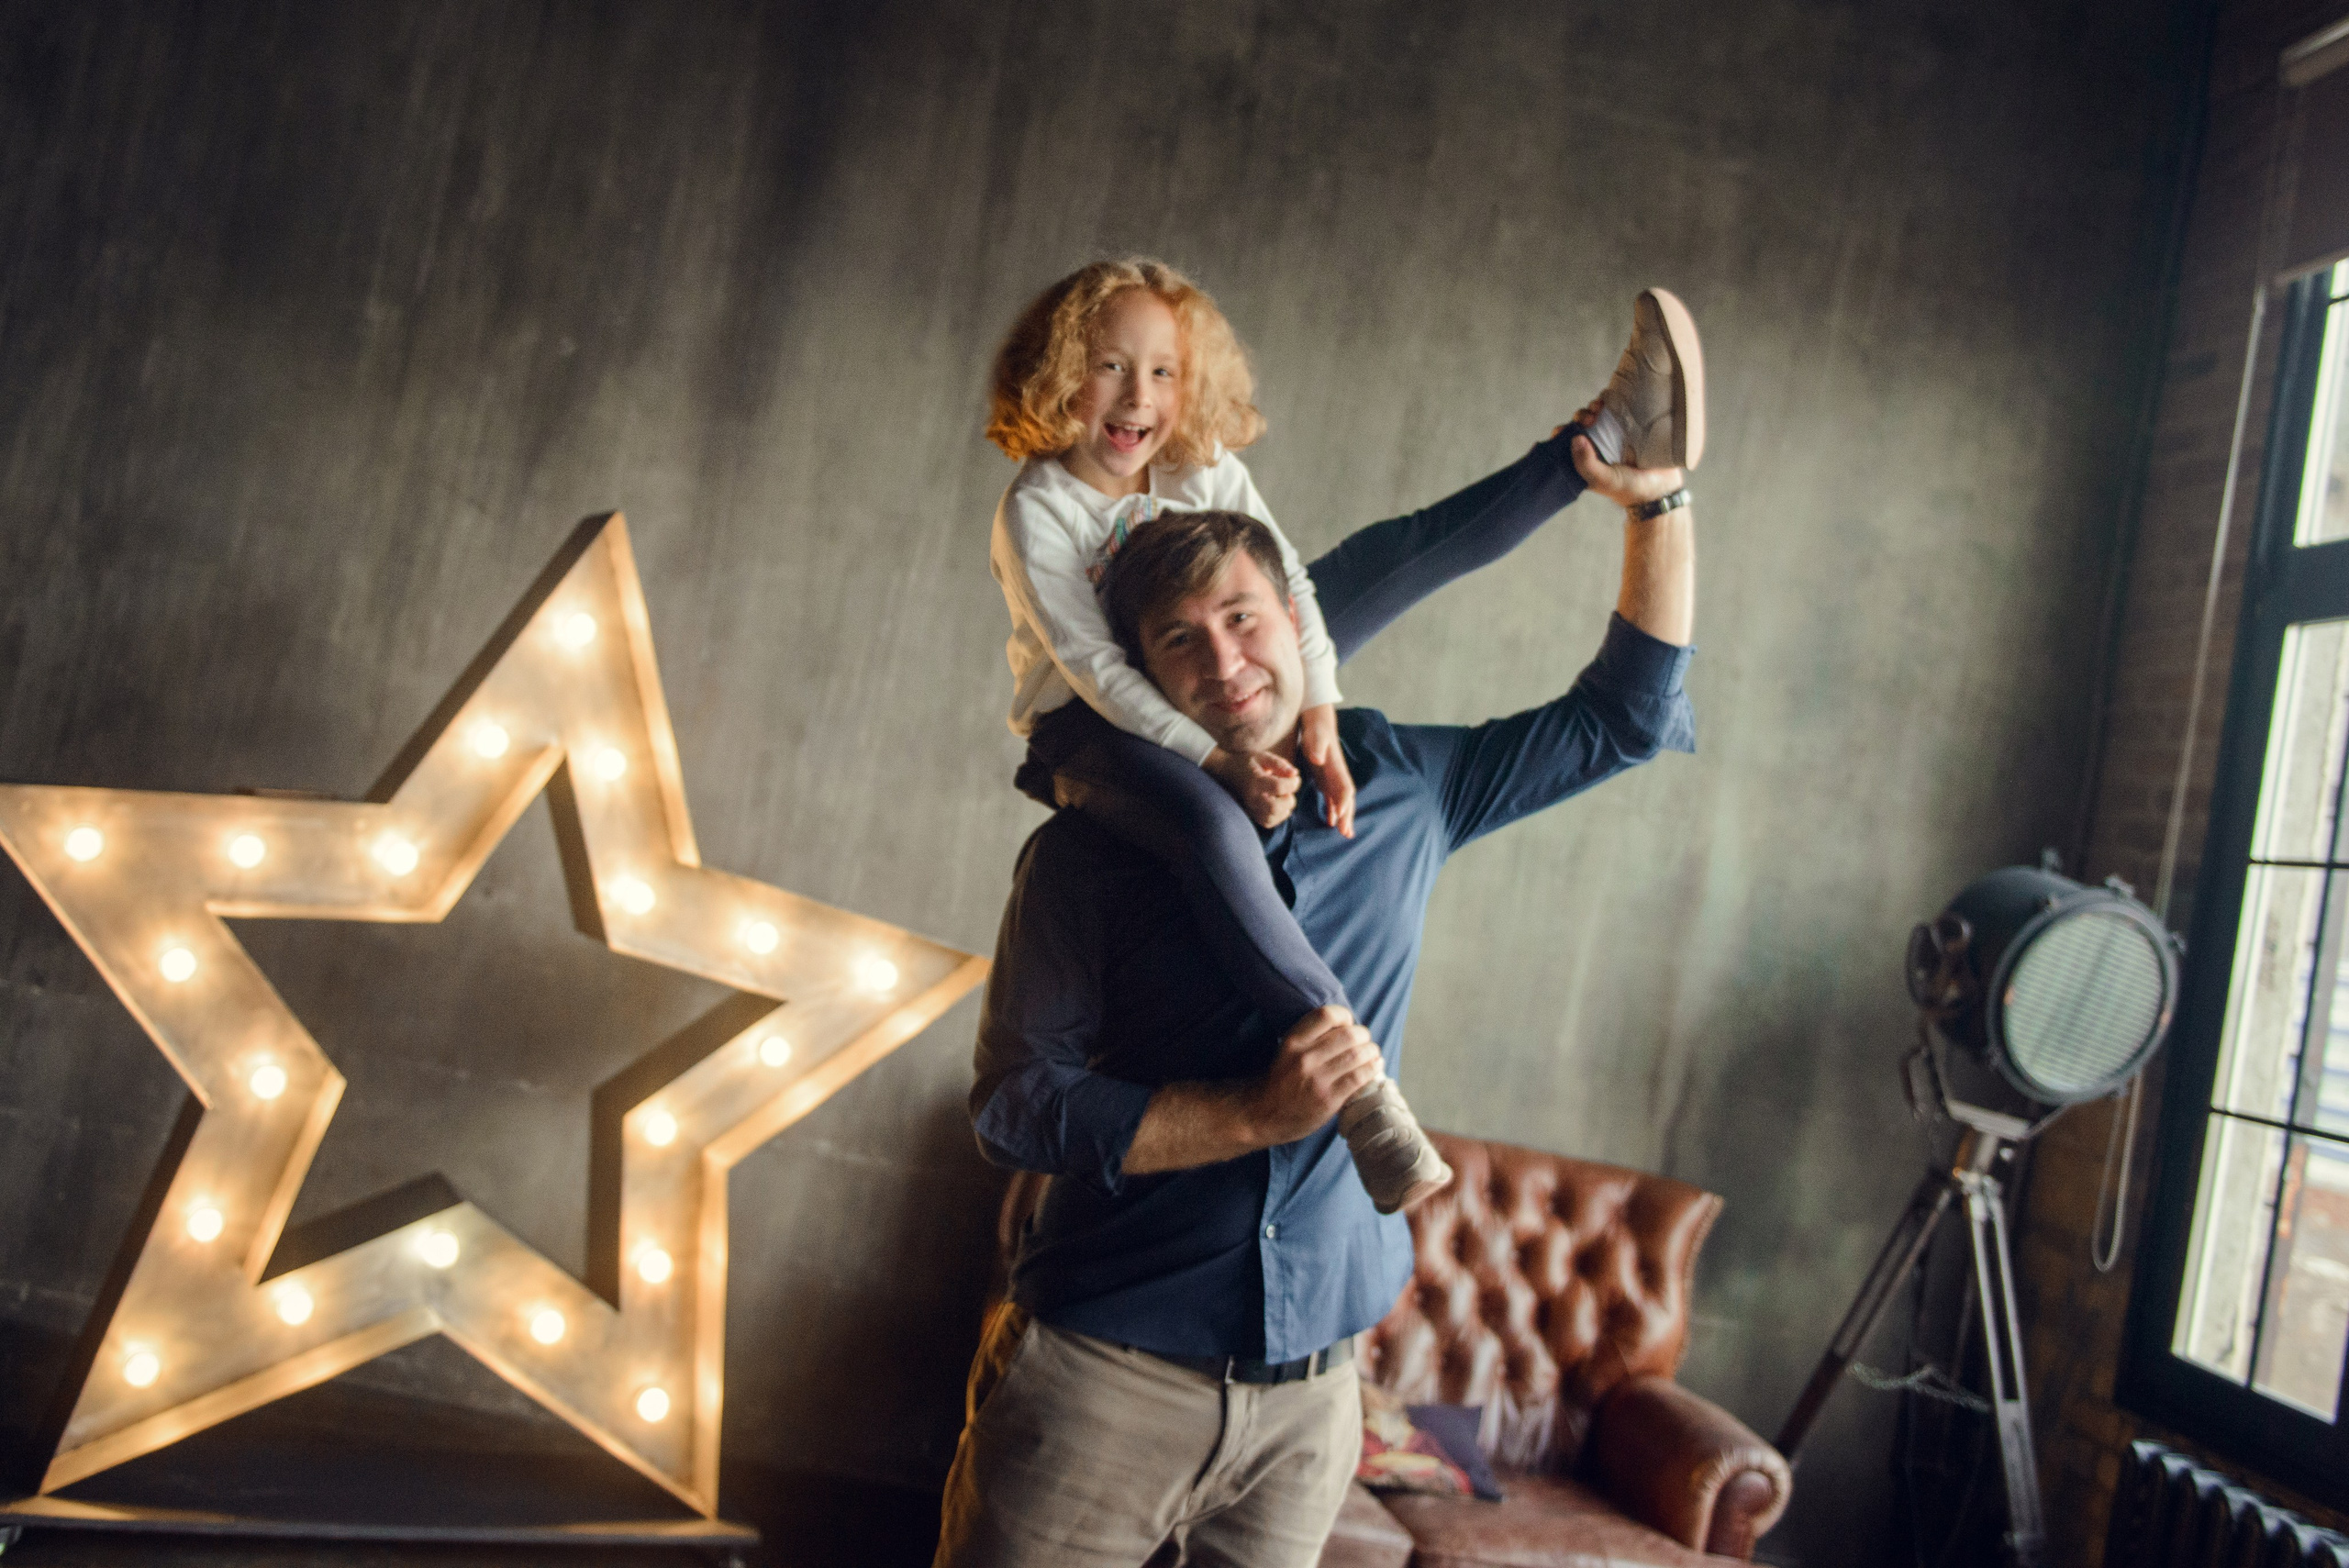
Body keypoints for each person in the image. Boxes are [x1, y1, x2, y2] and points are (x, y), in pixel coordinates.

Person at [936, 288, 1703, 1568]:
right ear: (1142, 678)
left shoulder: (1406, 785)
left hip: (1313, 1405)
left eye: (1248, 621)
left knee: (1386, 554)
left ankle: (1595, 446)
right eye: (1180, 643)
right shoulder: (1088, 846)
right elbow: (1015, 1108)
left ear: (1297, 624)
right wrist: (1246, 1113)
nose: (1225, 661)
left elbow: (1624, 715)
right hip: (1101, 1382)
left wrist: (1661, 501)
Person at [985, 257, 1701, 1214]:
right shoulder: (1039, 510)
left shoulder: (1205, 475)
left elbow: (1306, 595)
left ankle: (1604, 432)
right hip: (1099, 729)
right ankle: (1365, 1097)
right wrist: (1219, 762)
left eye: (1163, 371)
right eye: (1109, 367)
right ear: (1056, 373)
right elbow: (1102, 672)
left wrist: (1318, 703)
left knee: (1381, 559)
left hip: (1191, 704)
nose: (1138, 396)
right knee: (1210, 829)